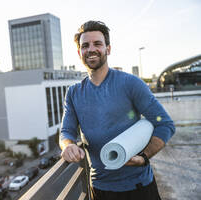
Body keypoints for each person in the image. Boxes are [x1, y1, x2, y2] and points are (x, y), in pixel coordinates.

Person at [59, 21, 175, 200]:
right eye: (85, 45)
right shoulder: (74, 92)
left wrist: (144, 157)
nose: (91, 49)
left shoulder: (130, 83)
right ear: (79, 52)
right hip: (100, 188)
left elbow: (165, 124)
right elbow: (66, 131)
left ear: (108, 49)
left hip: (139, 187)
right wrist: (68, 146)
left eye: (97, 44)